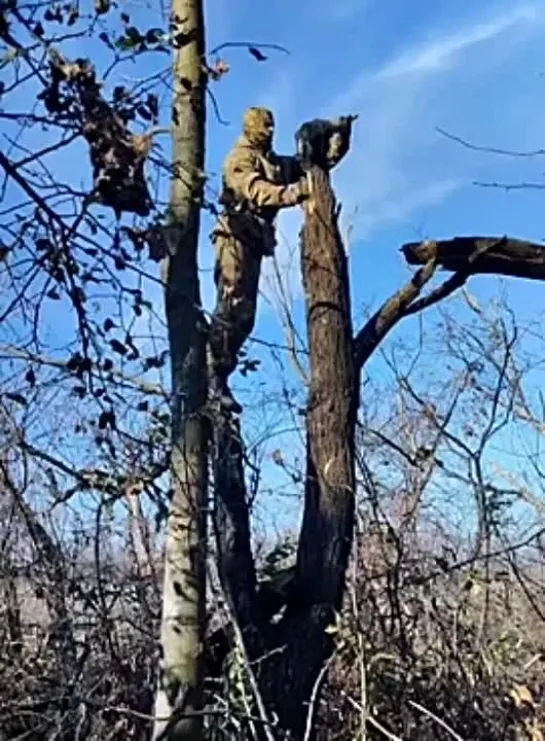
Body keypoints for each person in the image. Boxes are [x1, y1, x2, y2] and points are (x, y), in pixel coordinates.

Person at [208, 107, 309, 413]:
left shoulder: (273, 162)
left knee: (246, 317)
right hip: (234, 236)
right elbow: (253, 189)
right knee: (232, 303)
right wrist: (291, 194)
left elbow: (304, 166)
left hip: (254, 241)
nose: (270, 130)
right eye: (264, 126)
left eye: (272, 125)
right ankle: (212, 375)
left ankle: (220, 373)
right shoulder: (240, 158)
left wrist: (331, 141)